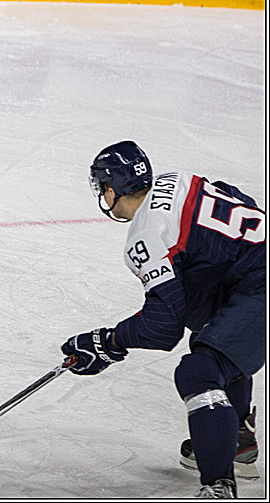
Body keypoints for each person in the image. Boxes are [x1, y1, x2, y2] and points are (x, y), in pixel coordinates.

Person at [61, 140, 264, 498]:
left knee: (197, 372)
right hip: (253, 271)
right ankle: (236, 442)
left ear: (111, 190)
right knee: (214, 335)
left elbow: (162, 327)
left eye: (102, 189)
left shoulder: (146, 234)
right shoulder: (178, 179)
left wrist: (108, 342)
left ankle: (219, 485)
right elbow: (239, 203)